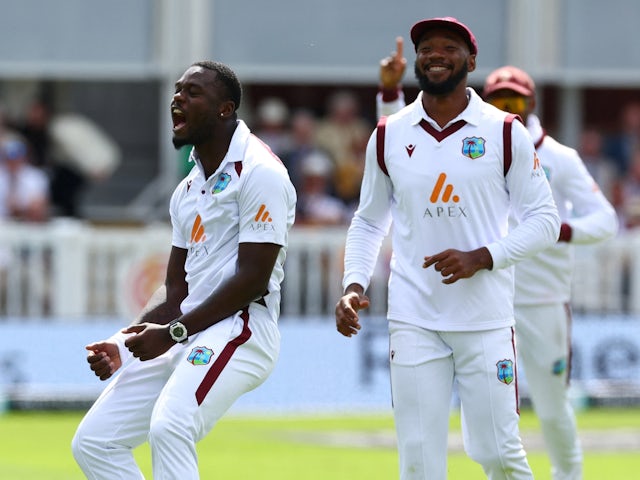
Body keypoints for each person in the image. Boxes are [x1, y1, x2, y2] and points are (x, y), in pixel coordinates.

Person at [376, 38, 619, 480]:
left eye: (518, 99)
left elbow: (604, 221)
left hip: (540, 297)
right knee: (481, 434)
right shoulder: (477, 136)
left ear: (532, 102)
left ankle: (569, 475)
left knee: (550, 404)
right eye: (502, 98)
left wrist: (558, 231)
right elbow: (402, 149)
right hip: (475, 300)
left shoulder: (558, 158)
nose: (511, 106)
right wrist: (390, 95)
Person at [336, 17, 560, 480]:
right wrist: (352, 283)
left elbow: (545, 221)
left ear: (471, 61)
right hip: (413, 314)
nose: (435, 54)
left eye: (448, 47)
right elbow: (369, 219)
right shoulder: (390, 133)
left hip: (485, 318)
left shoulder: (503, 131)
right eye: (427, 48)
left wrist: (483, 256)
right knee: (418, 461)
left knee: (497, 453)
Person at [72, 61, 297, 479]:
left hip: (242, 329)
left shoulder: (262, 173)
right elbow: (176, 289)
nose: (177, 99)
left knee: (170, 426)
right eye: (177, 91)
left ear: (225, 109)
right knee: (94, 443)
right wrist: (123, 341)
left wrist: (174, 333)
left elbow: (253, 278)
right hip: (187, 329)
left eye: (193, 93)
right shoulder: (188, 188)